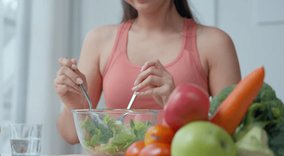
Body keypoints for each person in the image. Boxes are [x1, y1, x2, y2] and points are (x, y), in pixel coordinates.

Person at [54, 0, 241, 144]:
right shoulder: (98, 40)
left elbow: (234, 132)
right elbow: (71, 136)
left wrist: (176, 104)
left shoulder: (215, 43)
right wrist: (75, 105)